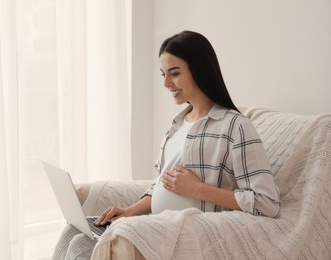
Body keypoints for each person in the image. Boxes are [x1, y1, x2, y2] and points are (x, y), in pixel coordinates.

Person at [52, 30, 281, 260]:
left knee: (87, 243)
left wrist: (198, 189)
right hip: (155, 223)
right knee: (75, 231)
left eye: (174, 73)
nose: (166, 83)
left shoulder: (235, 126)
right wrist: (129, 211)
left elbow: (266, 202)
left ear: (199, 70)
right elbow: (163, 185)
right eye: (163, 74)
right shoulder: (177, 125)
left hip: (190, 230)